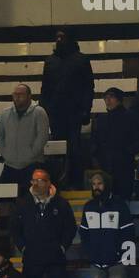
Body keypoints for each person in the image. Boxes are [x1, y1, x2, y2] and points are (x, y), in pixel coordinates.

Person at [40, 29, 93, 186]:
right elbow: (45, 88)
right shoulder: (50, 61)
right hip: (55, 113)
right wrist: (44, 110)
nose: (59, 40)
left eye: (62, 37)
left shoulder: (81, 60)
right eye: (57, 37)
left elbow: (88, 87)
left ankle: (75, 183)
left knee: (74, 149)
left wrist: (86, 110)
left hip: (75, 112)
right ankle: (58, 183)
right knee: (57, 149)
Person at [10, 168, 77, 278]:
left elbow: (70, 228)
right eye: (33, 180)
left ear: (48, 183)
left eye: (39, 180)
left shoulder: (61, 204)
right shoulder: (22, 204)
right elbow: (14, 229)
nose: (35, 184)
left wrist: (62, 247)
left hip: (55, 258)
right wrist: (23, 247)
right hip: (31, 258)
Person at [79, 171, 135, 278]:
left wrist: (121, 255)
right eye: (94, 184)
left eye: (99, 183)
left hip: (117, 263)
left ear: (107, 185)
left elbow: (128, 233)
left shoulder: (120, 205)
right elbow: (84, 234)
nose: (96, 187)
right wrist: (90, 254)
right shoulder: (88, 206)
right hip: (96, 264)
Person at [89, 88, 139, 200]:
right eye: (105, 98)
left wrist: (126, 153)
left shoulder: (130, 117)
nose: (108, 100)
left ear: (119, 99)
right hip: (106, 167)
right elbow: (95, 142)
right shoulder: (101, 119)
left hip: (124, 166)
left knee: (123, 197)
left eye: (111, 97)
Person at [0, 83, 50, 186]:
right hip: (10, 165)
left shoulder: (39, 112)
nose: (17, 97)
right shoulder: (5, 114)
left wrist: (31, 154)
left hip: (32, 164)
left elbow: (42, 136)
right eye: (15, 94)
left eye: (21, 94)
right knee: (4, 197)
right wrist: (6, 154)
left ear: (29, 96)